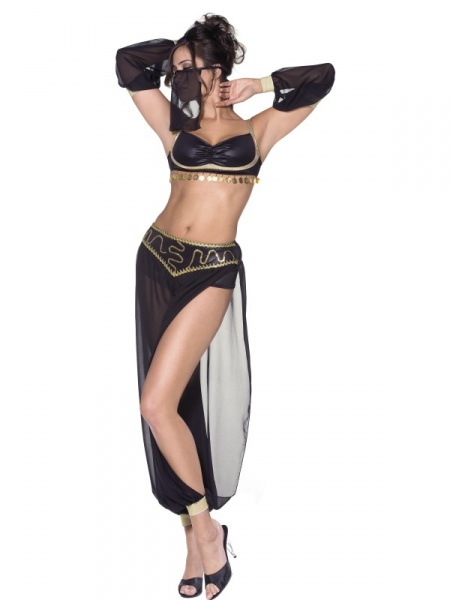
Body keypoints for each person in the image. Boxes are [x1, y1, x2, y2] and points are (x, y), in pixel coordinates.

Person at [115, 13, 335, 599]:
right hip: (156, 260)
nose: (180, 80)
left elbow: (322, 77)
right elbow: (129, 63)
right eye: (177, 72)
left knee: (156, 404)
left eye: (191, 69)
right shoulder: (173, 124)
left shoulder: (259, 129)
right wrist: (181, 54)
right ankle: (197, 538)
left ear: (218, 67)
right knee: (173, 407)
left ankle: (208, 532)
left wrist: (254, 85)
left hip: (210, 271)